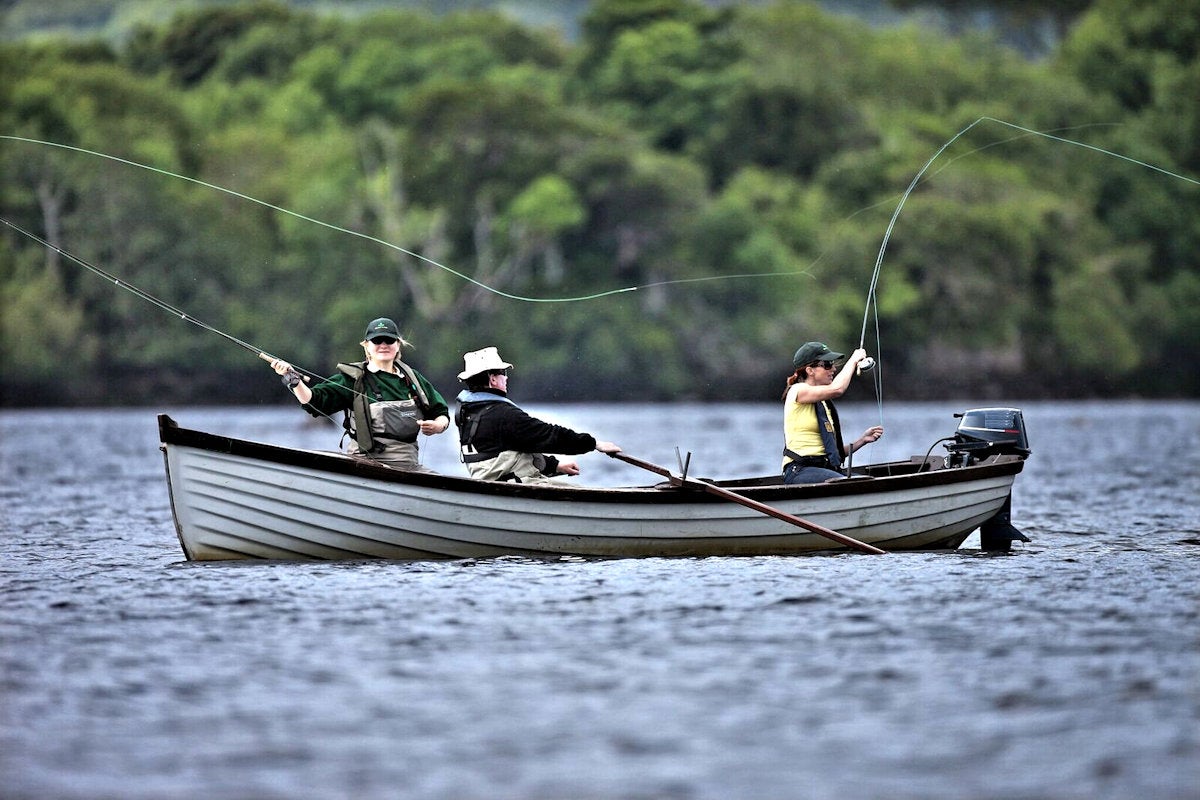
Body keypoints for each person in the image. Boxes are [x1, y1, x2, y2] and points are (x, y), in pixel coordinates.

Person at [269, 317, 450, 470]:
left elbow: (441, 413)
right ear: (367, 346)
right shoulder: (353, 379)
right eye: (377, 341)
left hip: (409, 466)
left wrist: (437, 426)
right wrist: (294, 380)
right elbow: (313, 402)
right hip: (364, 465)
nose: (383, 345)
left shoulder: (413, 379)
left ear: (398, 345)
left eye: (389, 340)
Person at [454, 346, 621, 483]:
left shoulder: (467, 413)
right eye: (503, 373)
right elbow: (549, 435)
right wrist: (594, 444)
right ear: (492, 379)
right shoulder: (504, 415)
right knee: (581, 494)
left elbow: (507, 450)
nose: (506, 379)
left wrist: (554, 466)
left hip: (492, 483)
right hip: (515, 485)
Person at [782, 341, 884, 484]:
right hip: (799, 470)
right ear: (810, 370)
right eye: (828, 364)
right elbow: (838, 389)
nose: (833, 369)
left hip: (825, 469)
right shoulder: (797, 390)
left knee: (870, 483)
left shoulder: (823, 403)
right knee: (850, 484)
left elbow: (834, 453)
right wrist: (853, 361)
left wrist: (862, 440)